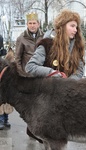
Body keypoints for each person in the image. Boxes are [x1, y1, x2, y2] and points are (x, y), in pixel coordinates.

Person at [25, 9, 85, 79]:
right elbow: (30, 67)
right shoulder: (47, 44)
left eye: (76, 27)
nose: (75, 30)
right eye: (72, 26)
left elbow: (79, 71)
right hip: (49, 88)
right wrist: (53, 73)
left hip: (69, 88)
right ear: (62, 26)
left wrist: (68, 83)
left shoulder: (77, 45)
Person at [15, 12, 44, 142]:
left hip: (42, 76)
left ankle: (39, 128)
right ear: (27, 25)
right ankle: (31, 129)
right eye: (30, 23)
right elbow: (17, 59)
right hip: (28, 77)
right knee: (30, 105)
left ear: (38, 24)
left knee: (43, 103)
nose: (32, 26)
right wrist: (23, 75)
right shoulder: (21, 38)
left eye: (34, 23)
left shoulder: (44, 37)